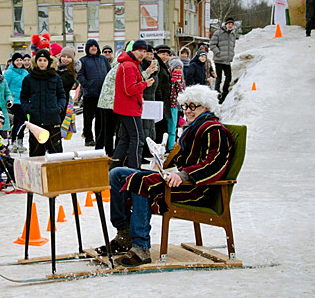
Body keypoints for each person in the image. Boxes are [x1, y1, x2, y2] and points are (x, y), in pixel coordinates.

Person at [97, 85, 233, 267]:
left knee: (140, 181)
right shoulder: (193, 128)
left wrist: (184, 175)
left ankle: (141, 247)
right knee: (117, 173)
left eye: (194, 106)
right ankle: (124, 233)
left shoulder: (213, 129)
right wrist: (163, 161)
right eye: (186, 106)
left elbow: (215, 162)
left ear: (206, 107)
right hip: (176, 180)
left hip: (196, 189)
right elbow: (181, 159)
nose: (188, 111)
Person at [109, 40, 154, 170]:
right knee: (137, 138)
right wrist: (145, 84)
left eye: (144, 51)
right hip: (129, 108)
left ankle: (115, 166)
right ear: (133, 50)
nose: (142, 54)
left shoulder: (129, 64)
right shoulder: (129, 65)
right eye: (140, 51)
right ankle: (134, 168)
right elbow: (130, 89)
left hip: (127, 107)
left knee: (126, 137)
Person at [20, 49, 66, 157]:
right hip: (36, 121)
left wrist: (58, 108)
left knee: (56, 154)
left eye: (44, 60)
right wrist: (29, 109)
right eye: (40, 60)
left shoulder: (56, 77)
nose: (42, 62)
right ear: (36, 62)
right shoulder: (29, 79)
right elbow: (23, 97)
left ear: (49, 62)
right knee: (36, 154)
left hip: (53, 120)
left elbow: (62, 95)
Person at [77, 39, 111, 147]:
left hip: (102, 95)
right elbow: (80, 75)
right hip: (89, 95)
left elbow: (109, 72)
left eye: (95, 46)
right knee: (88, 118)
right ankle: (88, 138)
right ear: (87, 48)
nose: (93, 48)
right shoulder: (83, 60)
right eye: (90, 46)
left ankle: (99, 138)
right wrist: (86, 85)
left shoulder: (103, 59)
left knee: (100, 119)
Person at [4, 52, 29, 153]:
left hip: (23, 99)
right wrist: (7, 99)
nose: (19, 62)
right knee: (24, 120)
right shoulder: (9, 72)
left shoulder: (25, 72)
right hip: (14, 100)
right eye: (17, 60)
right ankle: (16, 141)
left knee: (17, 121)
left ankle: (17, 142)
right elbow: (5, 85)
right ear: (13, 62)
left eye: (20, 60)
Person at [210, 17, 236, 104]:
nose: (230, 26)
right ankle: (216, 95)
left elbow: (232, 46)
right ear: (225, 24)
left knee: (229, 77)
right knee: (219, 78)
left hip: (227, 60)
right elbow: (212, 45)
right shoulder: (218, 33)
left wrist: (231, 55)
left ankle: (225, 93)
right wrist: (218, 53)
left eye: (231, 24)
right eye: (229, 24)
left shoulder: (232, 34)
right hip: (219, 60)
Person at [154, 44, 172, 144]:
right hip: (159, 101)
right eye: (163, 54)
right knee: (160, 126)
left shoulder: (164, 66)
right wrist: (160, 98)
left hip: (164, 101)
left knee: (163, 126)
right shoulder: (158, 65)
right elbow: (158, 84)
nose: (165, 56)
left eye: (167, 54)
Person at [57, 46, 78, 121]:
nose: (65, 59)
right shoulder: (55, 68)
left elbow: (59, 83)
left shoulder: (70, 73)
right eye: (63, 56)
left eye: (68, 57)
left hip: (62, 102)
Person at [168, 58, 185, 147]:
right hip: (171, 105)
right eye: (176, 68)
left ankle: (172, 145)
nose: (178, 70)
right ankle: (170, 146)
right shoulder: (170, 79)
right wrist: (174, 82)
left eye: (180, 68)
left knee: (176, 127)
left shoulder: (181, 80)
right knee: (171, 127)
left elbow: (182, 92)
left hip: (178, 107)